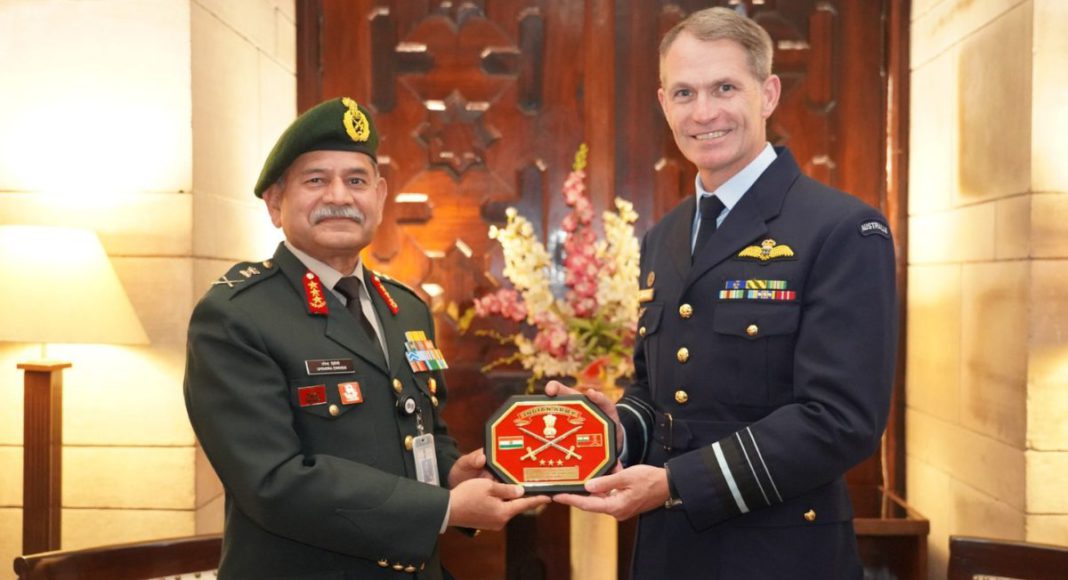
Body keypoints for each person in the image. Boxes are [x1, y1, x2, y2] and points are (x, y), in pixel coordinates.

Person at [550, 7, 897, 579]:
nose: (703, 112)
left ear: (768, 94)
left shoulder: (841, 228)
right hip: (666, 554)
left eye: (725, 88)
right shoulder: (663, 235)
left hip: (779, 556)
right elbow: (658, 392)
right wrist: (615, 428)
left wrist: (675, 484)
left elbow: (842, 418)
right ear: (663, 103)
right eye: (684, 93)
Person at [184, 97, 549, 579]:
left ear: (378, 197)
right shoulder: (236, 317)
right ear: (275, 203)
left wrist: (451, 473)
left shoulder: (406, 308)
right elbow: (273, 482)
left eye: (356, 180)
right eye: (316, 180)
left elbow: (417, 432)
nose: (339, 195)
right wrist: (442, 509)